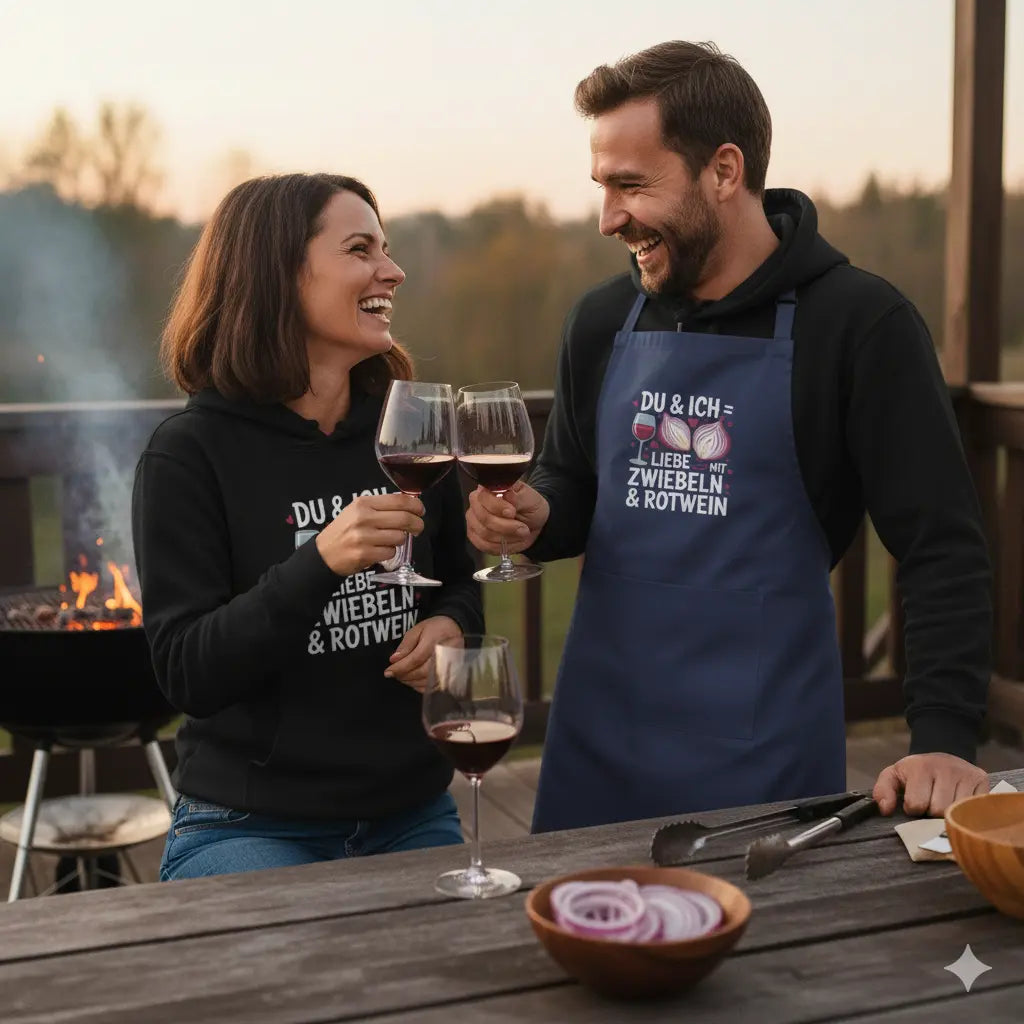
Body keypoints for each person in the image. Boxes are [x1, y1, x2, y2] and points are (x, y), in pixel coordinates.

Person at [465, 41, 993, 832]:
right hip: (597, 745)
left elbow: (940, 546)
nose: (610, 217)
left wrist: (945, 738)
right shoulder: (602, 320)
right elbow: (572, 484)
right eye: (603, 187)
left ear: (724, 170)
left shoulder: (859, 324)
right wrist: (535, 515)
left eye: (632, 185)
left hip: (763, 757)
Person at [132, 173, 484, 880]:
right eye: (361, 249)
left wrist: (449, 626)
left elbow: (458, 582)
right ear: (277, 277)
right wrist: (319, 560)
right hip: (246, 822)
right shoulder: (190, 454)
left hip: (409, 811)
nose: (393, 269)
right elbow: (187, 673)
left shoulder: (406, 432)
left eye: (385, 248)